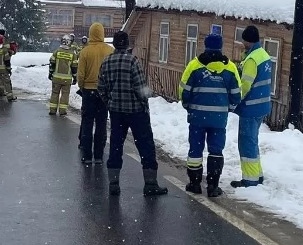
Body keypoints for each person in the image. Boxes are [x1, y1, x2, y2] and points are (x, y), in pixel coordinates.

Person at [98, 30, 167, 197]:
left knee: (116, 146)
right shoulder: (133, 61)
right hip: (136, 112)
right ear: (127, 44)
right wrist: (145, 102)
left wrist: (110, 102)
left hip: (116, 112)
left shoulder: (106, 62)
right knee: (145, 145)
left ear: (114, 44)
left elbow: (101, 87)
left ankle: (114, 184)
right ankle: (150, 183)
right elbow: (140, 87)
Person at [179, 32, 242, 197]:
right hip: (219, 119)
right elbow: (237, 94)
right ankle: (213, 186)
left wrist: (188, 106)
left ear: (205, 46)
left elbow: (184, 91)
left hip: (197, 117)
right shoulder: (230, 68)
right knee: (216, 150)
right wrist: (229, 108)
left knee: (195, 150)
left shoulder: (194, 66)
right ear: (221, 47)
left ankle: (194, 184)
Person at [231, 25, 273, 188]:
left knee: (247, 143)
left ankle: (250, 180)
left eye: (243, 41)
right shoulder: (264, 55)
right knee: (252, 141)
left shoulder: (252, 60)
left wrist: (234, 100)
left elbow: (245, 85)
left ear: (247, 41)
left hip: (251, 107)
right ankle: (257, 175)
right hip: (262, 106)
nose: (242, 43)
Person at [75, 22, 113, 165]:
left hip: (88, 91)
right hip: (104, 92)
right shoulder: (110, 51)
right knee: (101, 123)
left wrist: (82, 86)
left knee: (87, 122)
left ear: (90, 33)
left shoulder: (85, 51)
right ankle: (99, 155)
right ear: (102, 33)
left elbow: (80, 74)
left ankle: (87, 155)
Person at [48, 36, 77, 116]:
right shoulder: (72, 54)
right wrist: (75, 78)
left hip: (56, 78)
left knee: (55, 93)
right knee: (65, 95)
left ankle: (52, 110)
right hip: (67, 80)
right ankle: (62, 111)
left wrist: (50, 73)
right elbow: (74, 67)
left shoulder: (57, 51)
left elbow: (52, 63)